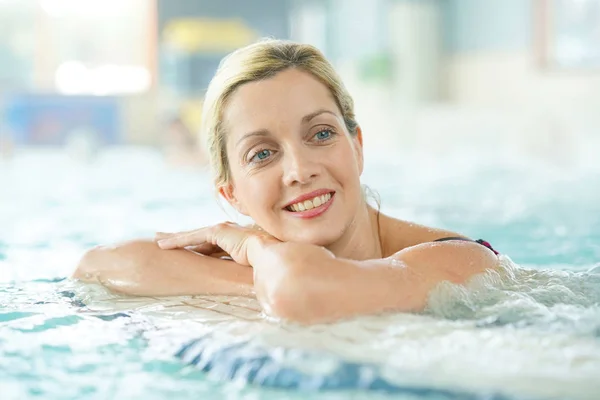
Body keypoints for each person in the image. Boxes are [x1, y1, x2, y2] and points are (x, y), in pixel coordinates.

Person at [73, 39, 499, 324]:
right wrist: (262, 275)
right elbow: (99, 265)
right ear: (231, 193)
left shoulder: (463, 261)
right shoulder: (269, 272)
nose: (299, 170)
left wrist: (256, 247)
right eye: (262, 154)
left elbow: (301, 292)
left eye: (321, 134)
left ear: (358, 147)